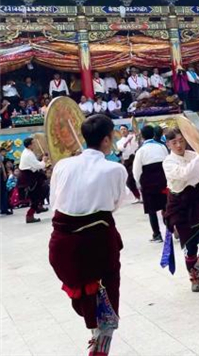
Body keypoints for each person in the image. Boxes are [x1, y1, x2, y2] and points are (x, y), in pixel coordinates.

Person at [48, 114, 129, 356]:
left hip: (62, 245)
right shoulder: (114, 169)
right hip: (96, 244)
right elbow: (115, 204)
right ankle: (99, 348)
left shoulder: (62, 165)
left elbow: (54, 202)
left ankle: (95, 336)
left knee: (88, 297)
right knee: (105, 299)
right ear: (106, 139)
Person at [162, 128, 199, 292]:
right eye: (174, 142)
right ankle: (195, 279)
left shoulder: (193, 155)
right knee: (189, 244)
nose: (179, 145)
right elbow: (184, 174)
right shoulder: (168, 162)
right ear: (168, 144)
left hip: (197, 195)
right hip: (179, 201)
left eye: (181, 141)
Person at [133, 125, 169, 243]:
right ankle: (171, 228)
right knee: (167, 205)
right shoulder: (162, 147)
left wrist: (139, 183)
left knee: (151, 210)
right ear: (154, 134)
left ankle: (157, 234)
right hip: (163, 181)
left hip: (148, 183)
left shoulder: (141, 151)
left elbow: (137, 170)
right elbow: (168, 162)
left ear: (142, 136)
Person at [18, 137, 49, 224]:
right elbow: (38, 166)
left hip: (31, 176)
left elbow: (35, 164)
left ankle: (39, 205)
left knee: (43, 189)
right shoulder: (28, 154)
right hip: (29, 178)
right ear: (29, 145)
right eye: (33, 143)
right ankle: (30, 215)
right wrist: (43, 161)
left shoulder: (28, 152)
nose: (34, 145)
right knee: (37, 194)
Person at [116, 125, 141, 203]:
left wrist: (136, 137)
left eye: (124, 129)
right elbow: (121, 149)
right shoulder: (119, 142)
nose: (123, 131)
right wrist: (127, 142)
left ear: (127, 130)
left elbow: (138, 143)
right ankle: (137, 196)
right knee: (129, 181)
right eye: (121, 130)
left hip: (136, 158)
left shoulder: (133, 137)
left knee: (140, 177)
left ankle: (145, 195)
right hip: (127, 161)